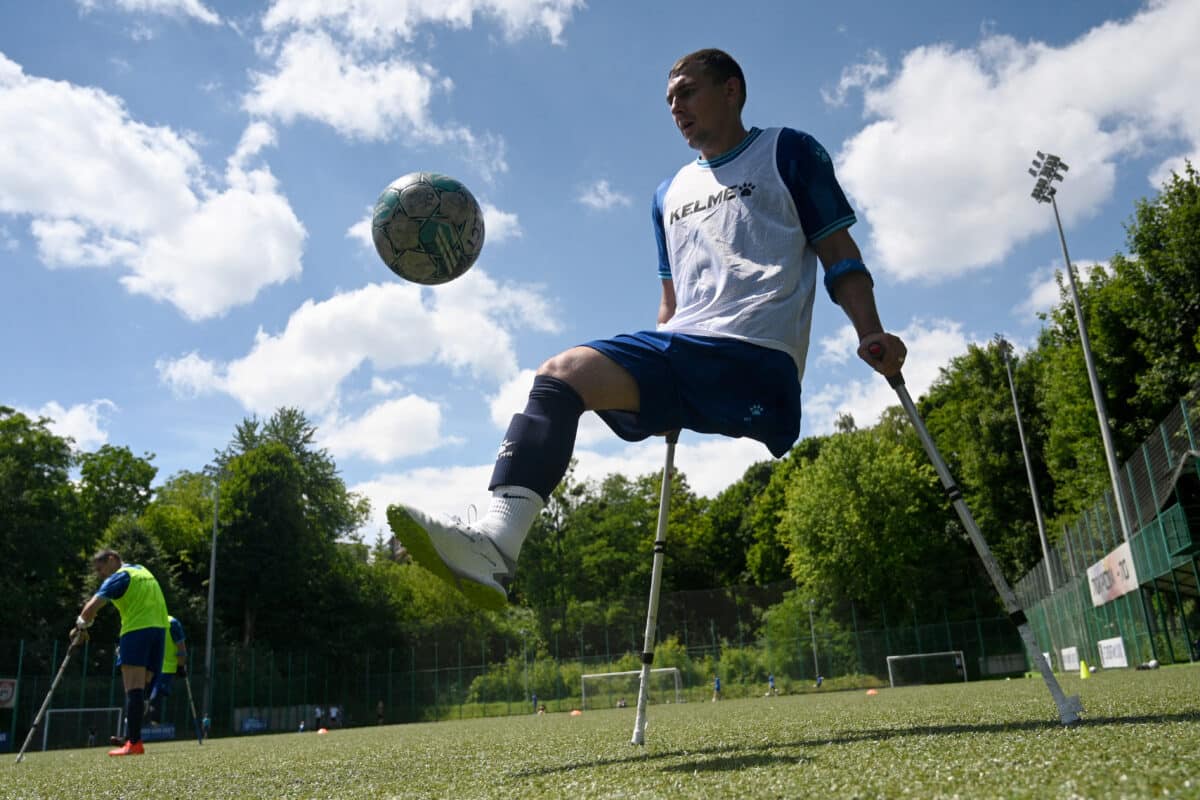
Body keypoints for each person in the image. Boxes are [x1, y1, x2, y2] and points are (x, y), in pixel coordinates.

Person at [388, 48, 906, 611]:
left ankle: (494, 545)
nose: (676, 108)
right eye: (669, 101)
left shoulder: (788, 150)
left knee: (563, 372)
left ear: (731, 90)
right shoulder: (667, 194)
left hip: (757, 358)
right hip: (689, 350)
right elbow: (671, 302)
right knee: (560, 379)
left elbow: (837, 249)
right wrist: (660, 383)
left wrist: (870, 331)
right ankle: (496, 545)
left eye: (687, 92)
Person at [72, 549, 169, 756]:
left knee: (132, 688)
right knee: (142, 690)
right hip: (159, 631)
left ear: (112, 559)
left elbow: (90, 609)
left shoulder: (118, 577)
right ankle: (131, 736)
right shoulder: (142, 570)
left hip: (135, 632)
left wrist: (80, 627)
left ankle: (134, 743)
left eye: (100, 569)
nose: (100, 575)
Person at [146, 614, 188, 725]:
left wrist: (180, 665)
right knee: (154, 693)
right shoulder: (172, 622)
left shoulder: (150, 619)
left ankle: (151, 710)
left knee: (154, 693)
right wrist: (181, 665)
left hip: (156, 666)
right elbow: (182, 648)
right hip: (163, 667)